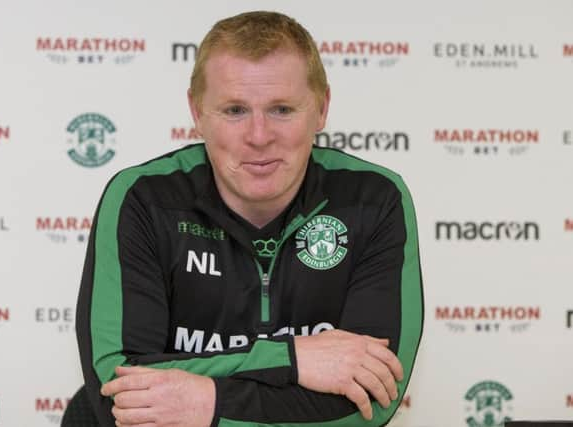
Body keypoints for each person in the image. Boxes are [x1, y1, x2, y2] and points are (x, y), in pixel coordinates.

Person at [76, 10, 423, 427]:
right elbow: (119, 389)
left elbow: (373, 399)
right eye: (235, 110)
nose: (259, 136)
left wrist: (206, 404)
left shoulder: (374, 199)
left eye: (281, 109)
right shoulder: (143, 199)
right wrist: (291, 359)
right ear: (197, 111)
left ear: (322, 109)